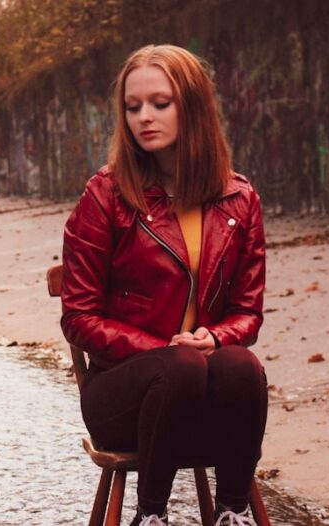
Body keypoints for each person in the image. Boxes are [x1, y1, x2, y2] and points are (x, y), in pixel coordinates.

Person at [60, 44, 268, 526]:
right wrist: (165, 350)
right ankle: (151, 516)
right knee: (179, 369)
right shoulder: (106, 194)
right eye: (132, 107)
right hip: (124, 391)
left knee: (240, 365)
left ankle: (232, 511)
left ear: (192, 106)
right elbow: (78, 316)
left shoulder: (239, 199)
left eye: (160, 103)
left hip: (209, 388)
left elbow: (247, 314)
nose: (143, 118)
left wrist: (215, 338)